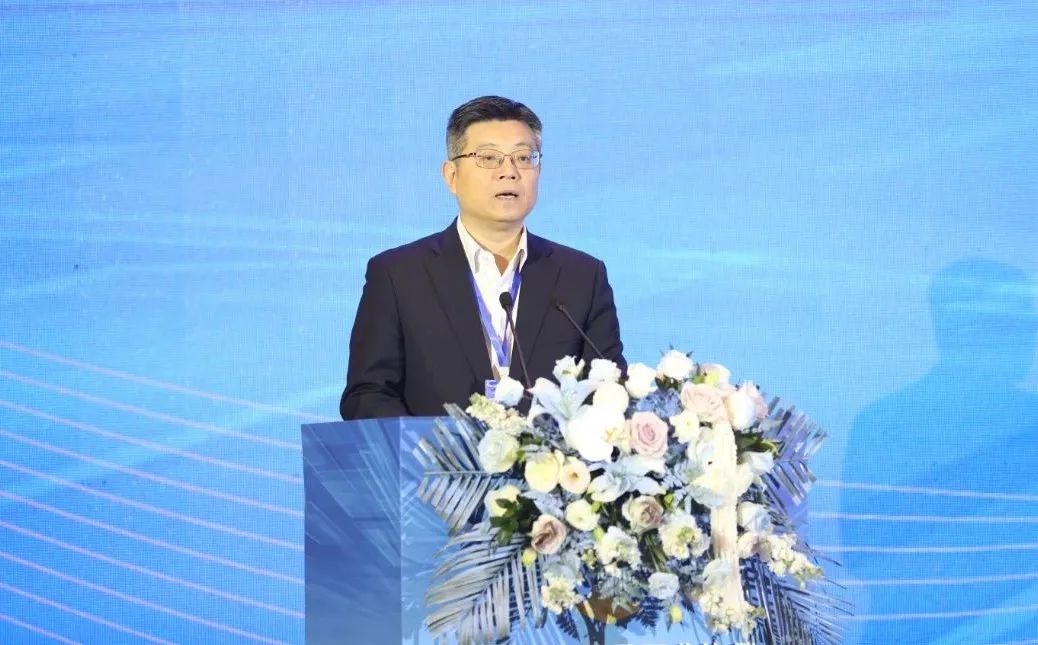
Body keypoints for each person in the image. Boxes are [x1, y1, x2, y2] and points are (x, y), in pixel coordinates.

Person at [340, 96, 625, 420]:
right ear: (451, 176)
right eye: (488, 158)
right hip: (436, 454)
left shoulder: (581, 277)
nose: (509, 172)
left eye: (523, 157)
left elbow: (610, 392)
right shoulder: (399, 275)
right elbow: (367, 395)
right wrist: (433, 446)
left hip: (551, 454)